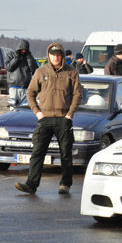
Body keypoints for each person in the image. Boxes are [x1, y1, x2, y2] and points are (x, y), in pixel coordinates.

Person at [14, 42, 82, 195]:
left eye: (58, 55)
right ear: (48, 55)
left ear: (62, 56)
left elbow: (78, 94)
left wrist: (70, 114)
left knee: (65, 153)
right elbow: (30, 93)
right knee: (37, 152)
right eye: (53, 55)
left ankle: (65, 184)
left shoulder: (72, 72)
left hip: (63, 119)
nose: (55, 58)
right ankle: (31, 184)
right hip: (44, 119)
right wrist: (38, 113)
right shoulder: (40, 72)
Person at [5, 40, 39, 107]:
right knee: (13, 108)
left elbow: (34, 70)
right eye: (22, 50)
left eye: (25, 50)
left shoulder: (29, 57)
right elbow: (9, 67)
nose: (23, 51)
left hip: (25, 87)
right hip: (13, 86)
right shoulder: (10, 55)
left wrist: (29, 58)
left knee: (24, 108)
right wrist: (17, 57)